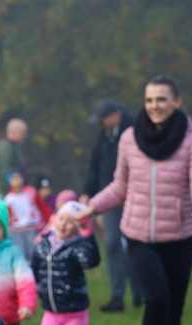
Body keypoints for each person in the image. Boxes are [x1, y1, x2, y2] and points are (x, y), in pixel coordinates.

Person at [79, 75, 192, 325]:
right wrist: (91, 207)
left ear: (176, 103)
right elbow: (119, 186)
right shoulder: (129, 138)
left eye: (162, 99)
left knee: (175, 310)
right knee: (157, 298)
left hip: (179, 236)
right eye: (150, 99)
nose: (155, 105)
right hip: (139, 234)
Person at [82, 99, 141, 312]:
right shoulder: (103, 138)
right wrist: (88, 193)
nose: (99, 125)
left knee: (135, 245)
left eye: (102, 120)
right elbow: (95, 168)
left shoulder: (135, 133)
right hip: (109, 200)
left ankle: (139, 291)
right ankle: (117, 297)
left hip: (134, 199)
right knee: (112, 244)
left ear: (114, 116)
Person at [4, 169, 51, 259]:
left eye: (19, 177)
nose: (17, 180)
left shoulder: (31, 192)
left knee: (34, 249)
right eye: (14, 178)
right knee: (20, 251)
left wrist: (48, 220)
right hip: (17, 230)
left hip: (33, 227)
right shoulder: (8, 199)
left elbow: (42, 206)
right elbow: (8, 216)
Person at [0, 118, 28, 196]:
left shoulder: (14, 146)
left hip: (15, 191)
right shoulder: (5, 147)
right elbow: (5, 170)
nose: (25, 136)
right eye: (22, 133)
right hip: (7, 192)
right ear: (13, 132)